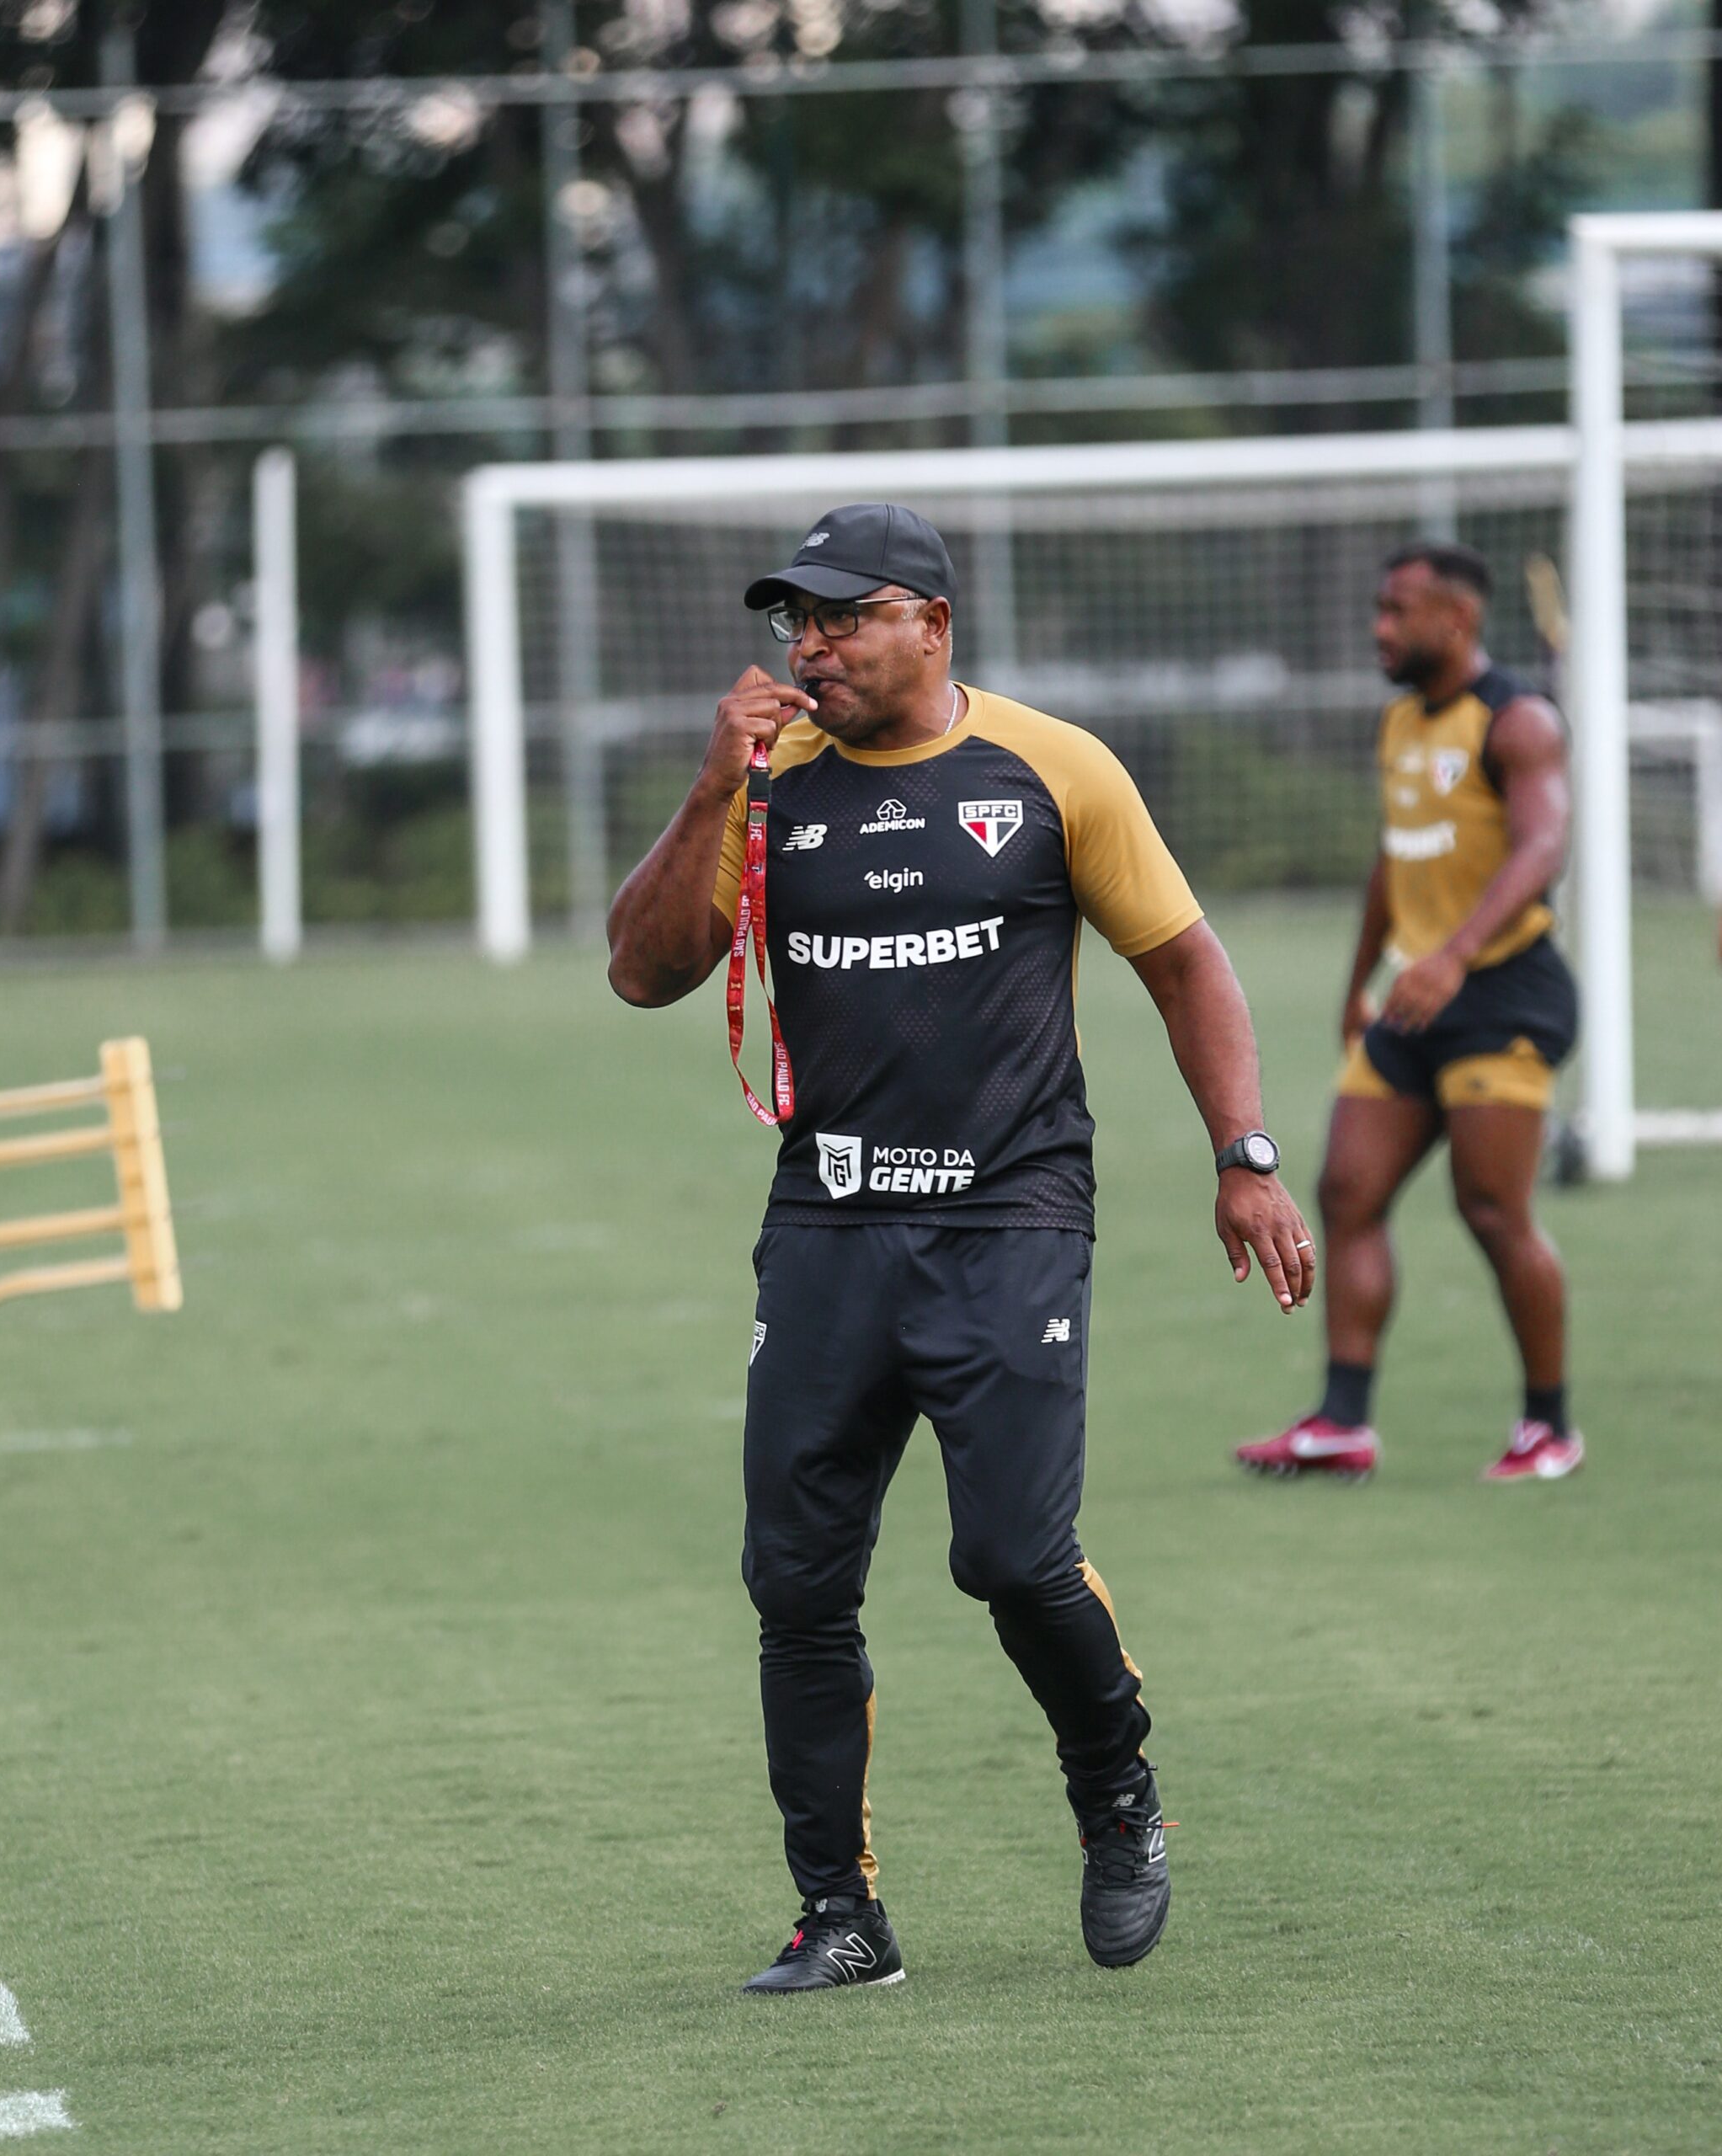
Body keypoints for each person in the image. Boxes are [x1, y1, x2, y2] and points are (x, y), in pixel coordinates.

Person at [607, 502, 1314, 1993]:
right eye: (793, 622)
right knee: (792, 1579)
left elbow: (1183, 961)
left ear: (929, 620)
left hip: (1008, 1217)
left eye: (842, 616)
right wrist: (704, 791)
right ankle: (838, 1914)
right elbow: (644, 972)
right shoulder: (769, 781)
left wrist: (1241, 1156)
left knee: (1007, 1555)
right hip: (825, 1224)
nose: (810, 647)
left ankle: (1116, 1799)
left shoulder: (1053, 771)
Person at [1238, 541, 1583, 1486]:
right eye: (1377, 610)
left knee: (1489, 1208)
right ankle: (1341, 1423)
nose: (1378, 628)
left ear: (1455, 619)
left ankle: (1547, 1427)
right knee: (1347, 1190)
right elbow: (1395, 861)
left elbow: (1543, 841)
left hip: (1502, 993)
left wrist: (1454, 955)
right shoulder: (1398, 722)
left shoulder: (1515, 721)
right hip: (1412, 996)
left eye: (1396, 611)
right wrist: (1360, 976)